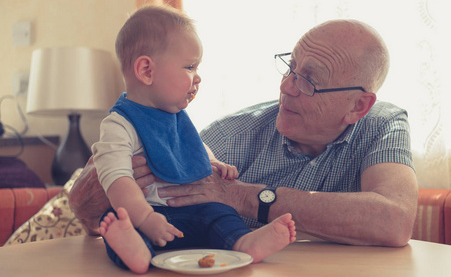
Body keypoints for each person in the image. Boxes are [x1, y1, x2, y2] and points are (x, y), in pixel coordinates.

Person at [69, 18, 418, 249]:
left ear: (358, 106)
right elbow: (84, 208)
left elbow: (395, 221)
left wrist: (241, 195)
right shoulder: (237, 132)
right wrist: (112, 176)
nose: (285, 87)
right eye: (290, 68)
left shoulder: (382, 125)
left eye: (308, 80)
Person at [92, 5, 296, 274]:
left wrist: (212, 162)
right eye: (189, 67)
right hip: (149, 214)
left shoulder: (174, 115)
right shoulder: (120, 124)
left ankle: (243, 242)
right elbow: (117, 181)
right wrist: (145, 218)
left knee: (219, 212)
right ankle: (137, 251)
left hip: (192, 212)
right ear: (146, 71)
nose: (197, 77)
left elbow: (193, 145)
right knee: (116, 222)